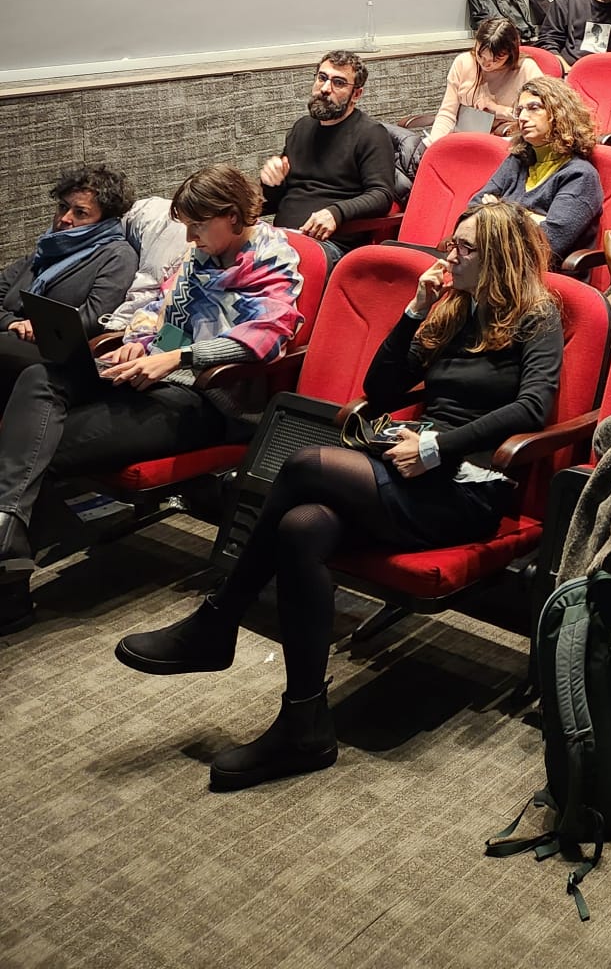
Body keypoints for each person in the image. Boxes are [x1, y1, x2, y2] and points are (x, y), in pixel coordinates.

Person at [114, 202, 561, 787]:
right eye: (450, 243)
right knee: (302, 528)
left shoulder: (537, 317)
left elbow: (535, 407)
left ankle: (217, 620)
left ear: (499, 257)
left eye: (464, 248)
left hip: (470, 487)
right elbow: (380, 389)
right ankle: (303, 726)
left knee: (304, 464)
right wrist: (414, 311)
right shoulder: (456, 311)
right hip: (410, 468)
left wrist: (439, 447)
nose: (449, 255)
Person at [0, 166, 302, 629]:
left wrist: (176, 358)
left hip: (206, 399)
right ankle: (6, 531)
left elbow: (266, 337)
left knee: (32, 445)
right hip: (151, 374)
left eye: (197, 225)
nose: (189, 235)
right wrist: (137, 343)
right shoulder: (200, 257)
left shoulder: (271, 260)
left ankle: (10, 580)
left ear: (232, 217)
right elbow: (162, 311)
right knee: (43, 378)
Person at [0, 166, 138, 393]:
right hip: (13, 338)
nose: (65, 219)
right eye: (63, 207)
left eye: (80, 213)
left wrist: (38, 327)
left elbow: (94, 319)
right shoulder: (46, 249)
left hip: (62, 355)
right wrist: (13, 322)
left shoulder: (116, 255)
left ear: (105, 220)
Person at [259, 52, 396, 262]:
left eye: (338, 83)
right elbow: (279, 199)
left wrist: (335, 213)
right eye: (322, 78)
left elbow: (381, 195)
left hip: (330, 246)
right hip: (283, 238)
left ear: (356, 94)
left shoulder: (371, 134)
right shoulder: (302, 127)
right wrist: (272, 181)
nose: (324, 89)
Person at [468, 76, 602, 262]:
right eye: (520, 110)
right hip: (497, 264)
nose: (522, 117)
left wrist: (498, 209)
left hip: (542, 278)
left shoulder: (580, 176)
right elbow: (474, 207)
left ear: (559, 113)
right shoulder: (518, 160)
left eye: (533, 108)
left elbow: (549, 242)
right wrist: (533, 218)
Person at [428, 18, 543, 143]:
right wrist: (433, 144)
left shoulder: (526, 69)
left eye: (495, 60)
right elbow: (447, 114)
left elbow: (540, 116)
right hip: (464, 140)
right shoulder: (463, 63)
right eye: (480, 55)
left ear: (511, 54)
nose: (485, 64)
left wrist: (497, 110)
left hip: (506, 144)